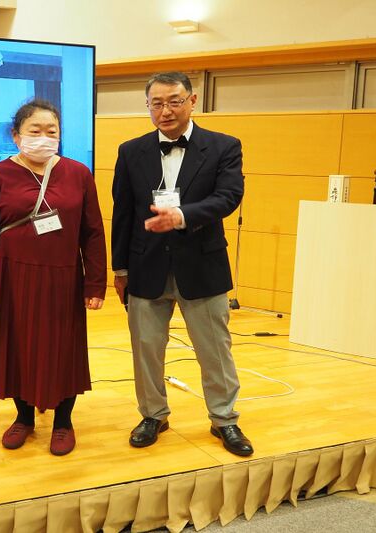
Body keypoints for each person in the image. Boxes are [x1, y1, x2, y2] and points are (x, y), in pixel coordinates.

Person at [111, 72, 253, 457]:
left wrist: (182, 216)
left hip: (202, 266)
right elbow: (122, 213)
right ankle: (153, 415)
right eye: (156, 103)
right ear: (147, 106)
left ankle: (224, 419)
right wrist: (120, 269)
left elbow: (229, 196)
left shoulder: (223, 146)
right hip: (145, 266)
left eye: (174, 101)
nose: (166, 111)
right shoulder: (131, 151)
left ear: (192, 100)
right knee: (146, 350)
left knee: (215, 350)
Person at [0, 99, 106, 456]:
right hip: (13, 278)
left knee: (64, 347)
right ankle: (23, 417)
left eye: (51, 131)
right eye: (34, 131)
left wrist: (95, 282)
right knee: (17, 346)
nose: (43, 137)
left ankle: (63, 422)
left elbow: (93, 233)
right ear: (16, 135)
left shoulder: (78, 174)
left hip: (63, 277)